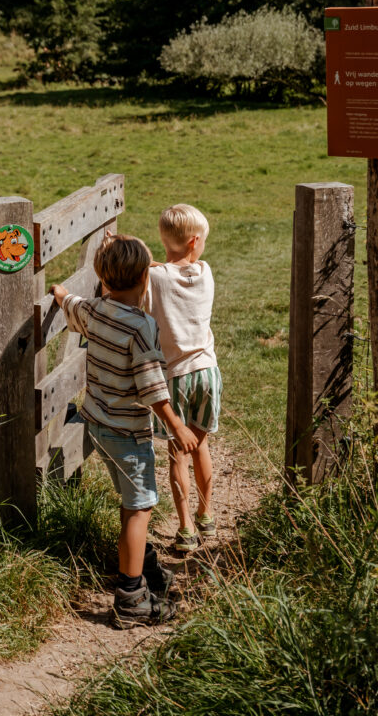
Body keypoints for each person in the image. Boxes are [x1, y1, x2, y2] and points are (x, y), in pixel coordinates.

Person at [50, 233, 198, 627]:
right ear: (145, 280)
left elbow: (72, 305)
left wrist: (59, 292)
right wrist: (176, 425)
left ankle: (141, 564)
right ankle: (130, 597)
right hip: (129, 433)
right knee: (139, 509)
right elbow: (152, 385)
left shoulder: (95, 310)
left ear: (102, 278)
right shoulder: (141, 327)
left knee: (130, 503)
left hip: (98, 424)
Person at [145, 204, 222, 553]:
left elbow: (148, 272)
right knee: (201, 445)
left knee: (178, 452)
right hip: (207, 371)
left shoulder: (155, 278)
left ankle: (186, 527)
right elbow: (185, 265)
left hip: (174, 376)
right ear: (195, 242)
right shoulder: (206, 273)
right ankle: (206, 515)